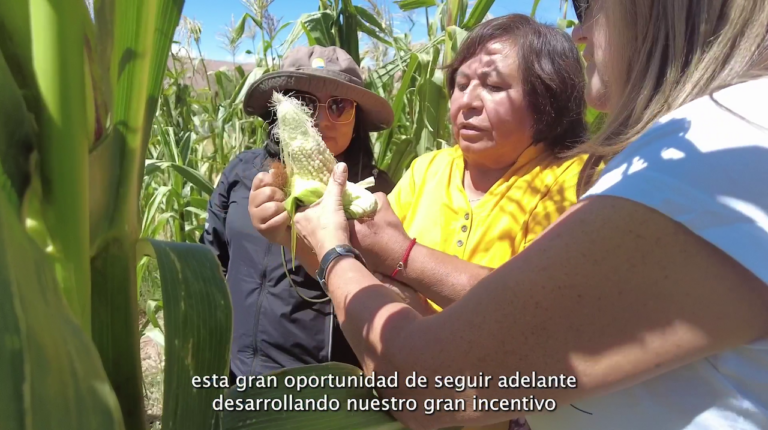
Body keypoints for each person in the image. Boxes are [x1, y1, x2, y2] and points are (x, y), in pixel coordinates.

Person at [288, 0, 768, 429]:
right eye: (459, 84)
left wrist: (336, 254)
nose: (581, 34)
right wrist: (320, 248)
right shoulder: (428, 169)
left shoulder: (715, 156)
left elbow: (429, 382)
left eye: (590, 6)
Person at [250, 14, 591, 430]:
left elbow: (538, 319)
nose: (468, 101)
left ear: (549, 101)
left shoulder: (574, 184)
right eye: (461, 85)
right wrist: (294, 238)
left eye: (494, 86)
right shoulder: (428, 170)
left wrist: (403, 257)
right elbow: (353, 273)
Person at [199, 45, 396, 379]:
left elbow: (386, 298)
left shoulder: (376, 195)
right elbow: (210, 258)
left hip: (314, 391)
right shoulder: (242, 172)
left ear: (357, 119)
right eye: (302, 104)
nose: (318, 120)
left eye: (338, 106)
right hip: (230, 373)